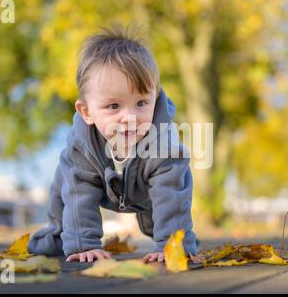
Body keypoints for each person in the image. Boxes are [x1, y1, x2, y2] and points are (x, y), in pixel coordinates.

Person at [28, 24, 198, 263]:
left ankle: (172, 238)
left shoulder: (164, 143)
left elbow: (171, 194)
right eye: (113, 106)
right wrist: (83, 245)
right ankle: (60, 234)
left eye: (141, 103)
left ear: (155, 97)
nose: (129, 117)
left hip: (146, 192)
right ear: (86, 112)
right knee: (65, 181)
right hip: (98, 183)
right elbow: (79, 194)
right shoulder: (81, 146)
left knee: (169, 198)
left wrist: (172, 246)